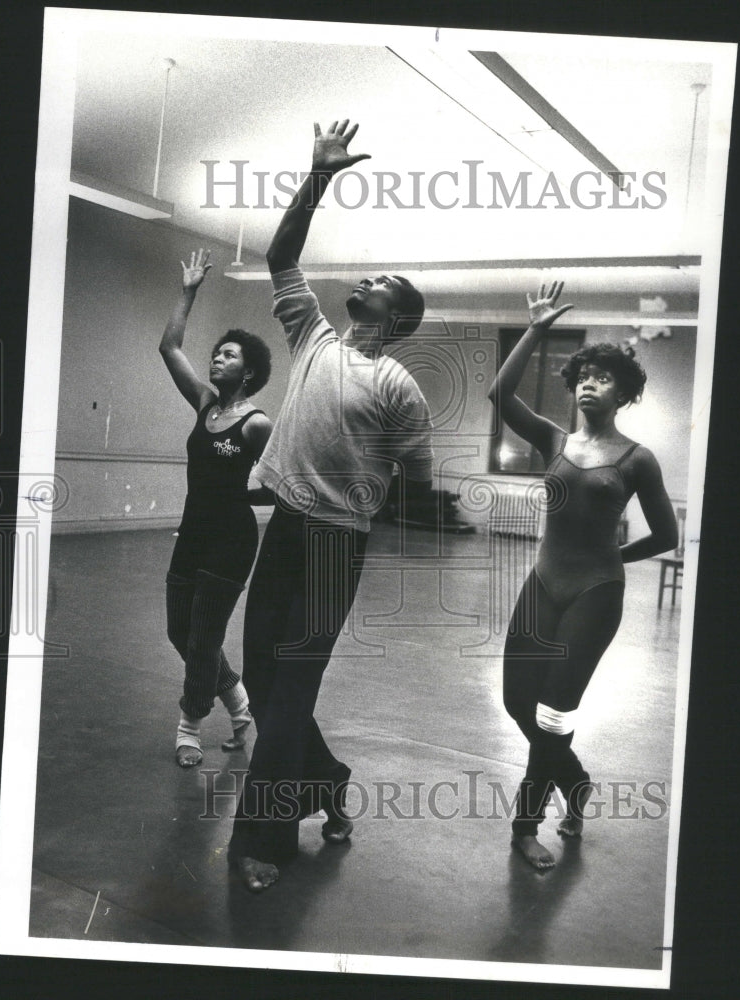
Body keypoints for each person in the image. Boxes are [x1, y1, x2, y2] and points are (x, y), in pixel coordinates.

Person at [228, 120, 434, 892]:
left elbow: (412, 473)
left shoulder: (398, 386)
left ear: (396, 316)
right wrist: (317, 177)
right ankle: (327, 780)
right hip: (284, 530)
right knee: (261, 675)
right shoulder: (313, 338)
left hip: (333, 546)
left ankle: (265, 842)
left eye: (384, 281)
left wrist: (354, 484)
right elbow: (282, 256)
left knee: (289, 696)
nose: (369, 279)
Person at [489, 280, 678, 870]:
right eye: (585, 376)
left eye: (605, 377)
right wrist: (536, 329)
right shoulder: (553, 439)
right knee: (518, 700)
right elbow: (499, 393)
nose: (592, 382)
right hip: (543, 583)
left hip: (595, 595)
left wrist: (610, 565)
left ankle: (526, 826)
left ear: (622, 393)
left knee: (553, 710)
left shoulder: (637, 458)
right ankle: (576, 782)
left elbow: (667, 536)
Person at [159, 249, 274, 768]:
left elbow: (282, 484)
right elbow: (169, 346)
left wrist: (238, 496)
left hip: (231, 541)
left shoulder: (256, 423)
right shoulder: (206, 403)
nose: (217, 359)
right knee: (178, 632)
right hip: (193, 534)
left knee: (203, 637)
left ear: (248, 373)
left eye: (228, 355)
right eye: (217, 354)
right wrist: (188, 291)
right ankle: (239, 702)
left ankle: (189, 726)